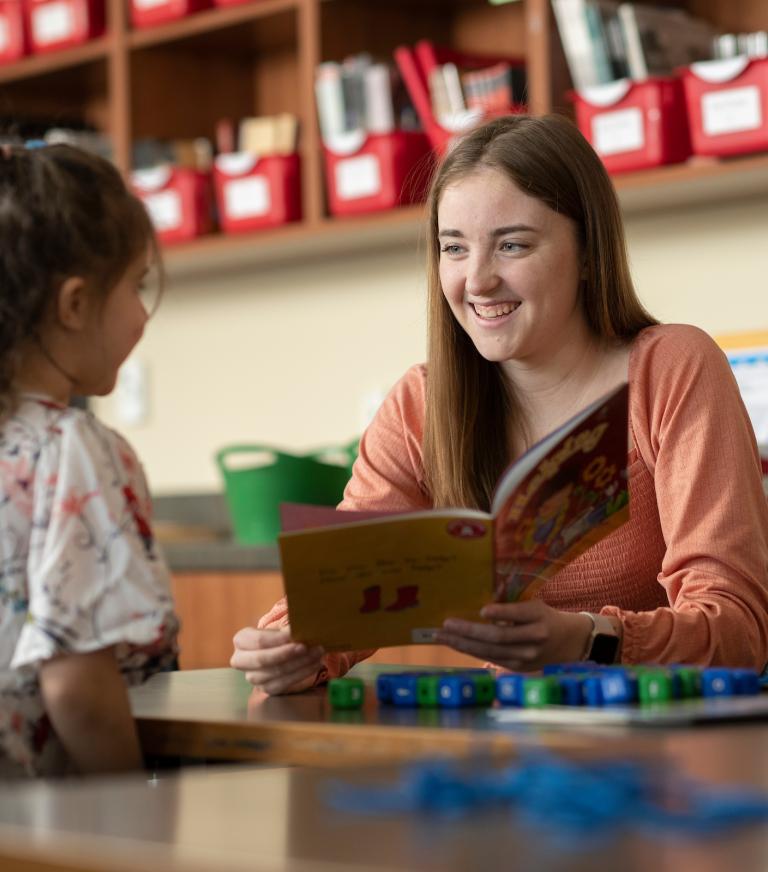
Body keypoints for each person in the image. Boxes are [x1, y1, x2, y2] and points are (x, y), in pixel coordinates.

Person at [231, 114, 768, 695]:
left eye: (512, 245)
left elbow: (737, 632)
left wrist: (588, 638)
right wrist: (290, 646)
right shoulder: (421, 404)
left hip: (674, 751)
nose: (478, 280)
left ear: (588, 252)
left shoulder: (672, 367)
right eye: (454, 248)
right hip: (514, 742)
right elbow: (336, 601)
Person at [0, 143, 179, 776]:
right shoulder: (69, 449)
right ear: (74, 304)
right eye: (136, 285)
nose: (142, 314)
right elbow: (79, 689)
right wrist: (133, 824)